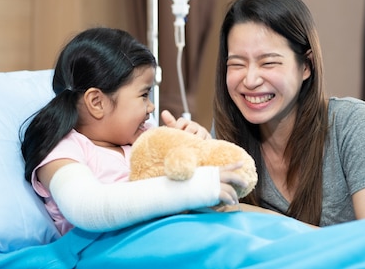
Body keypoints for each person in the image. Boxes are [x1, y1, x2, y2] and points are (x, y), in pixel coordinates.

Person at [21, 27, 247, 235]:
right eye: (143, 95)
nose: (152, 107)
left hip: (171, 234)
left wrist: (199, 150)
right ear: (97, 102)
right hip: (106, 250)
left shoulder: (144, 138)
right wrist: (193, 187)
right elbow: (87, 208)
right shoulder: (64, 150)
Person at [213, 0, 365, 227]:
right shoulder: (225, 136)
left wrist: (259, 217)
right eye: (237, 64)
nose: (250, 80)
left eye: (268, 62)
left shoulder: (351, 123)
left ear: (306, 66)